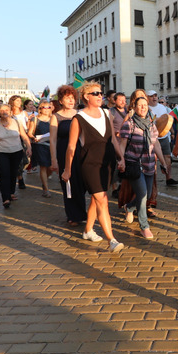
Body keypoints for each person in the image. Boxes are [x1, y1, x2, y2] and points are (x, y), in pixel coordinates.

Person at [62, 82, 126, 252]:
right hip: (89, 165)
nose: (100, 96)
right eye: (95, 93)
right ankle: (111, 240)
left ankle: (88, 230)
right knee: (102, 200)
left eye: (101, 93)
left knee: (97, 197)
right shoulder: (78, 118)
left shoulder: (106, 113)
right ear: (86, 97)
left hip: (107, 163)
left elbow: (113, 139)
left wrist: (121, 157)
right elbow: (71, 147)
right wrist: (67, 169)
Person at [117, 95, 168, 238]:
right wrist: (121, 160)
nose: (143, 107)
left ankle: (130, 206)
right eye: (140, 105)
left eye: (145, 105)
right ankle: (144, 226)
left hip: (150, 164)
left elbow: (156, 144)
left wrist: (163, 163)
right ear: (134, 108)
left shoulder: (151, 124)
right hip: (134, 164)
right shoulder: (130, 124)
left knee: (145, 194)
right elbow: (122, 144)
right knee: (143, 194)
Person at [49, 85, 85, 227]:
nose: (71, 100)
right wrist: (54, 159)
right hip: (63, 153)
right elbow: (52, 140)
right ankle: (72, 215)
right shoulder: (55, 117)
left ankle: (82, 213)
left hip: (80, 152)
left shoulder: (81, 114)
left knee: (80, 184)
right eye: (67, 98)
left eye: (72, 98)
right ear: (61, 100)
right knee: (68, 184)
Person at [0, 103, 32, 208]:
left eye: (6, 110)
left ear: (10, 112)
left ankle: (11, 192)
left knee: (13, 173)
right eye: (2, 110)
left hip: (16, 151)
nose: (4, 112)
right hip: (0, 152)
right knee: (4, 174)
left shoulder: (16, 122)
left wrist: (29, 147)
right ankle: (5, 198)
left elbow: (24, 136)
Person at [148, 90, 178, 186]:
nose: (154, 98)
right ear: (147, 98)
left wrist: (172, 132)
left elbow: (167, 121)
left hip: (164, 137)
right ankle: (153, 180)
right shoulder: (147, 108)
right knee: (154, 159)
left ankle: (168, 178)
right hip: (152, 137)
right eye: (151, 96)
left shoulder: (162, 107)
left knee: (167, 157)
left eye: (155, 96)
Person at [27, 100, 56, 197]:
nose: (47, 109)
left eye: (49, 107)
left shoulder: (54, 118)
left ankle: (45, 181)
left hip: (52, 145)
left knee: (51, 167)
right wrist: (33, 137)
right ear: (40, 109)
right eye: (44, 107)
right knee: (43, 165)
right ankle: (46, 188)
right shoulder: (35, 119)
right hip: (40, 144)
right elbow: (30, 132)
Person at [9, 95, 31, 191]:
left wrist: (30, 121)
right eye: (17, 100)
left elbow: (27, 125)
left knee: (26, 160)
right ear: (12, 102)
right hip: (14, 137)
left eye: (19, 100)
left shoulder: (24, 113)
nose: (19, 102)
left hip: (24, 135)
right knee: (18, 159)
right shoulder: (10, 113)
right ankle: (20, 178)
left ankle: (20, 173)